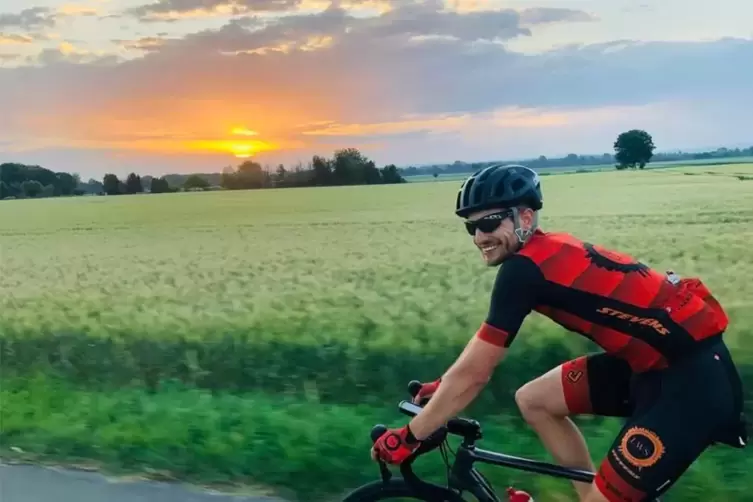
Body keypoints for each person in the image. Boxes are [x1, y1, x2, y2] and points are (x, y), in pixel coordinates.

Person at [370, 164, 748, 502]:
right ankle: (590, 495)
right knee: (535, 400)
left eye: (490, 223)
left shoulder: (524, 269)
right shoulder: (539, 255)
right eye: (472, 226)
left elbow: (474, 376)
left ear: (526, 217)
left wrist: (410, 435)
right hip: (648, 367)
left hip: (692, 386)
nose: (479, 237)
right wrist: (444, 386)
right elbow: (478, 356)